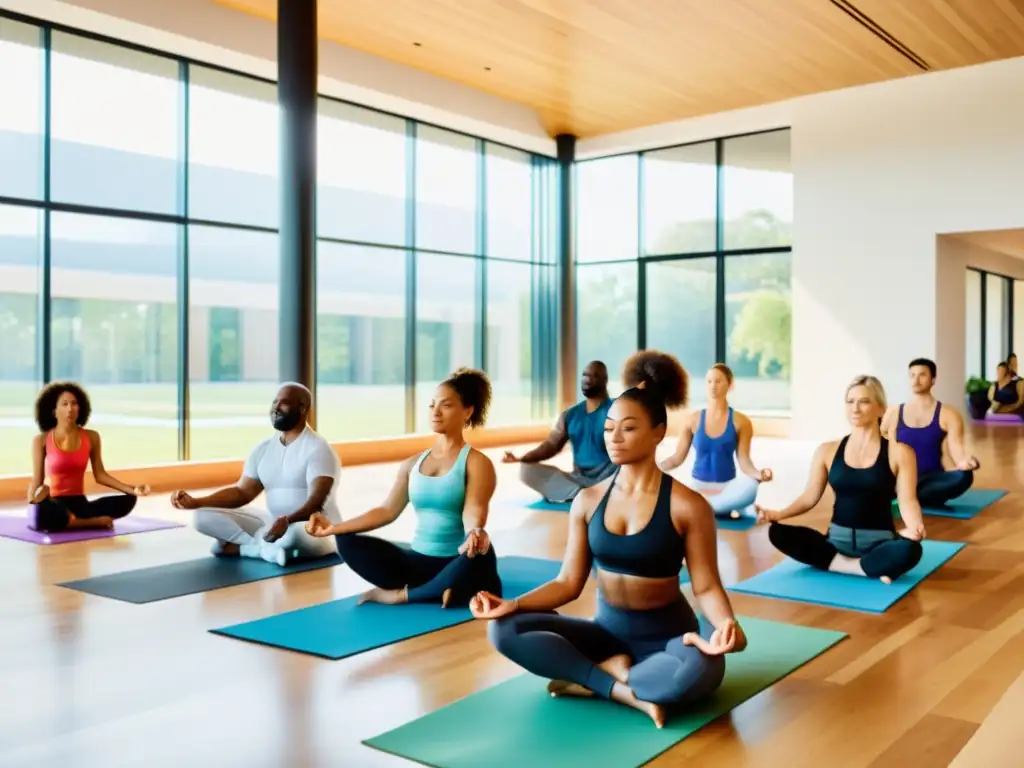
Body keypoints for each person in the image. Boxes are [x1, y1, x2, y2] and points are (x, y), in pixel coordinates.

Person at [469, 351, 746, 729]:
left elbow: (708, 585)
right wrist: (511, 604)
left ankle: (593, 677)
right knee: (504, 629)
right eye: (609, 427)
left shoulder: (688, 506)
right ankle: (620, 684)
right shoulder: (587, 500)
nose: (614, 437)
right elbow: (568, 583)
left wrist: (725, 625)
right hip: (604, 634)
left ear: (658, 432)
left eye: (628, 428)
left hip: (668, 641)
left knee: (705, 666)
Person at [307, 368, 502, 608]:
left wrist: (475, 531)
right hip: (417, 562)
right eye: (432, 405)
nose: (436, 412)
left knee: (479, 552)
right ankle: (443, 590)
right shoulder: (412, 464)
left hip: (459, 559)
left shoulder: (476, 462)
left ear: (468, 412)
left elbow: (474, 508)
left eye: (446, 405)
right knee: (345, 541)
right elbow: (387, 511)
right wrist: (334, 529)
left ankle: (402, 595)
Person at [758, 375, 925, 584]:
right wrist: (779, 513)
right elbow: (810, 496)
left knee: (911, 549)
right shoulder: (827, 450)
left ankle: (840, 565)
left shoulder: (899, 452)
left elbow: (907, 500)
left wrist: (914, 526)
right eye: (850, 401)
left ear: (881, 408)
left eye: (864, 401)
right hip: (835, 543)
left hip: (879, 544)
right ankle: (863, 569)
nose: (855, 408)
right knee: (777, 533)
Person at [169, 383, 340, 566]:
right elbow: (242, 493)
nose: (276, 407)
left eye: (284, 403)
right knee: (201, 515)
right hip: (274, 523)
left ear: (302, 408)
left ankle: (246, 549)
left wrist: (288, 521)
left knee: (294, 536)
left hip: (312, 527)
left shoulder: (318, 449)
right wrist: (197, 502)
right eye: (275, 402)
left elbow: (316, 502)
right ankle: (264, 549)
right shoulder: (262, 449)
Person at [27, 381, 149, 533]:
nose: (70, 409)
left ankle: (74, 520)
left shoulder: (92, 437)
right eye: (64, 404)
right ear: (54, 410)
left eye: (74, 404)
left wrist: (132, 489)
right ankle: (85, 523)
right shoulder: (41, 440)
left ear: (80, 408)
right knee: (44, 511)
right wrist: (35, 497)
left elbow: (100, 475)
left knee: (129, 499)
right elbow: (37, 482)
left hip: (81, 504)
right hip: (56, 504)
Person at [659, 363, 772, 519]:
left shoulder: (741, 421)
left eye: (718, 381)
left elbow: (744, 460)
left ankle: (705, 508)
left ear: (730, 385)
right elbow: (677, 458)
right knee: (667, 489)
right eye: (709, 381)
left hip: (728, 487)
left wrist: (759, 474)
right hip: (699, 487)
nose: (713, 386)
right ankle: (728, 507)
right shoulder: (692, 420)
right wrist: (654, 468)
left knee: (751, 485)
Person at [503, 361, 615, 503]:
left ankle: (592, 494)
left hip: (610, 478)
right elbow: (551, 445)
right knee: (526, 470)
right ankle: (578, 493)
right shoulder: (570, 414)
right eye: (585, 375)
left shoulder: (617, 409)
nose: (588, 379)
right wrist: (522, 458)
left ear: (605, 380)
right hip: (579, 480)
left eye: (595, 375)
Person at [880, 358, 978, 507]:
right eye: (912, 375)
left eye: (922, 375)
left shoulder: (948, 413)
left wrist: (964, 462)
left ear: (933, 379)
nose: (916, 380)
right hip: (899, 478)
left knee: (963, 477)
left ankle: (911, 496)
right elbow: (881, 443)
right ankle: (908, 494)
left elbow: (956, 447)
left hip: (931, 479)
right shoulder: (894, 412)